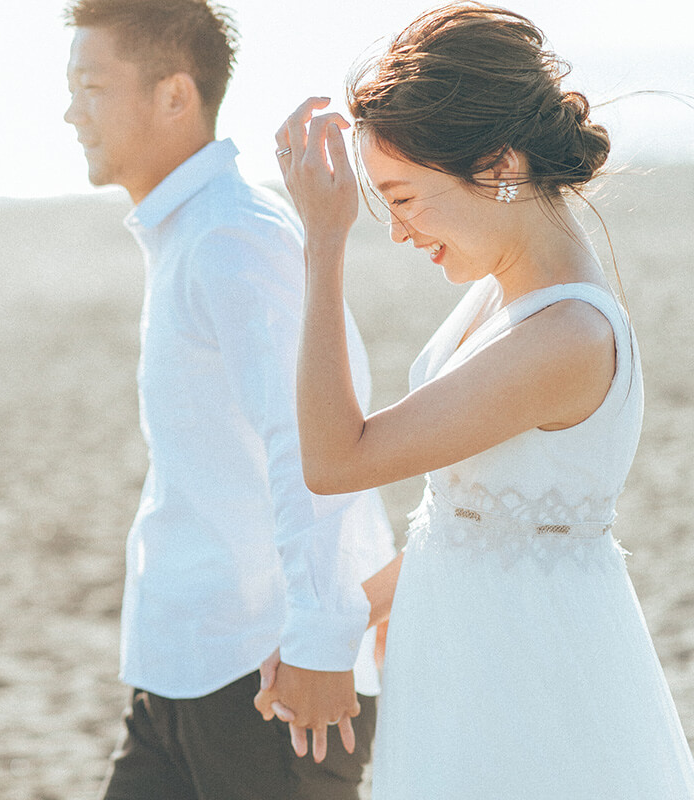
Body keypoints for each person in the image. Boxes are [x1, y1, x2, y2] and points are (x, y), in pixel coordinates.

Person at [265, 3, 694, 796]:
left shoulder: (566, 334)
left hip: (528, 675)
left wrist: (322, 244)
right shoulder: (505, 295)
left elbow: (334, 460)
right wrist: (346, 616)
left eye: (403, 197)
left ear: (498, 168)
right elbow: (478, 515)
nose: (395, 231)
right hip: (462, 654)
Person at [61, 1, 395, 798]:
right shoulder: (189, 231)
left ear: (175, 96)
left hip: (272, 684)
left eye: (92, 87)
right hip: (181, 676)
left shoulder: (233, 239)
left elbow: (311, 442)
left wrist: (320, 641)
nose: (71, 112)